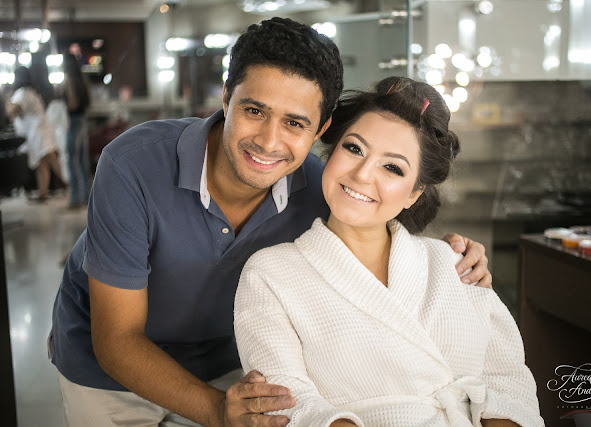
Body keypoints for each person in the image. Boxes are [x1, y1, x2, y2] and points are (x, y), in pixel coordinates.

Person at [50, 18, 491, 427]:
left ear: (322, 128)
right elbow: (117, 340)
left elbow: (377, 228)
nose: (268, 141)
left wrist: (450, 257)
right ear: (227, 97)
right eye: (254, 111)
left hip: (232, 365)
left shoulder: (323, 189)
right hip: (111, 371)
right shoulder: (133, 165)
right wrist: (217, 412)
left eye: (295, 123)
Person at [234, 77, 543, 427]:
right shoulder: (270, 273)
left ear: (415, 192)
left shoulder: (455, 264)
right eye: (354, 149)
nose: (363, 174)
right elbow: (290, 404)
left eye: (392, 167)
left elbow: (508, 384)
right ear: (330, 154)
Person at [6, 66, 64, 202]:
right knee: (42, 163)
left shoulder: (22, 93)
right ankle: (43, 193)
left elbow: (12, 110)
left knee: (50, 160)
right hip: (40, 131)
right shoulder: (31, 92)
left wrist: (8, 98)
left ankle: (70, 183)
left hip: (37, 133)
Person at [62, 52, 91, 208]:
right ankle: (87, 196)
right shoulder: (82, 79)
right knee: (82, 161)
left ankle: (74, 199)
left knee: (71, 161)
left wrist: (62, 106)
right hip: (82, 119)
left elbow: (72, 103)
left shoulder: (69, 79)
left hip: (73, 121)